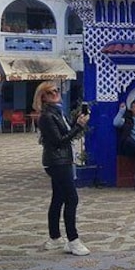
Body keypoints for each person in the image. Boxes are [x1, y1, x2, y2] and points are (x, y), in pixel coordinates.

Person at [34, 81, 90, 256]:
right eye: (50, 92)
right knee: (71, 198)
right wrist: (79, 127)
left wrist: (76, 121)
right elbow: (59, 140)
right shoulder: (46, 116)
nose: (55, 93)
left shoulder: (56, 112)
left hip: (61, 160)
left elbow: (64, 131)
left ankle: (55, 237)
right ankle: (73, 240)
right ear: (42, 97)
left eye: (56, 90)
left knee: (58, 198)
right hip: (58, 162)